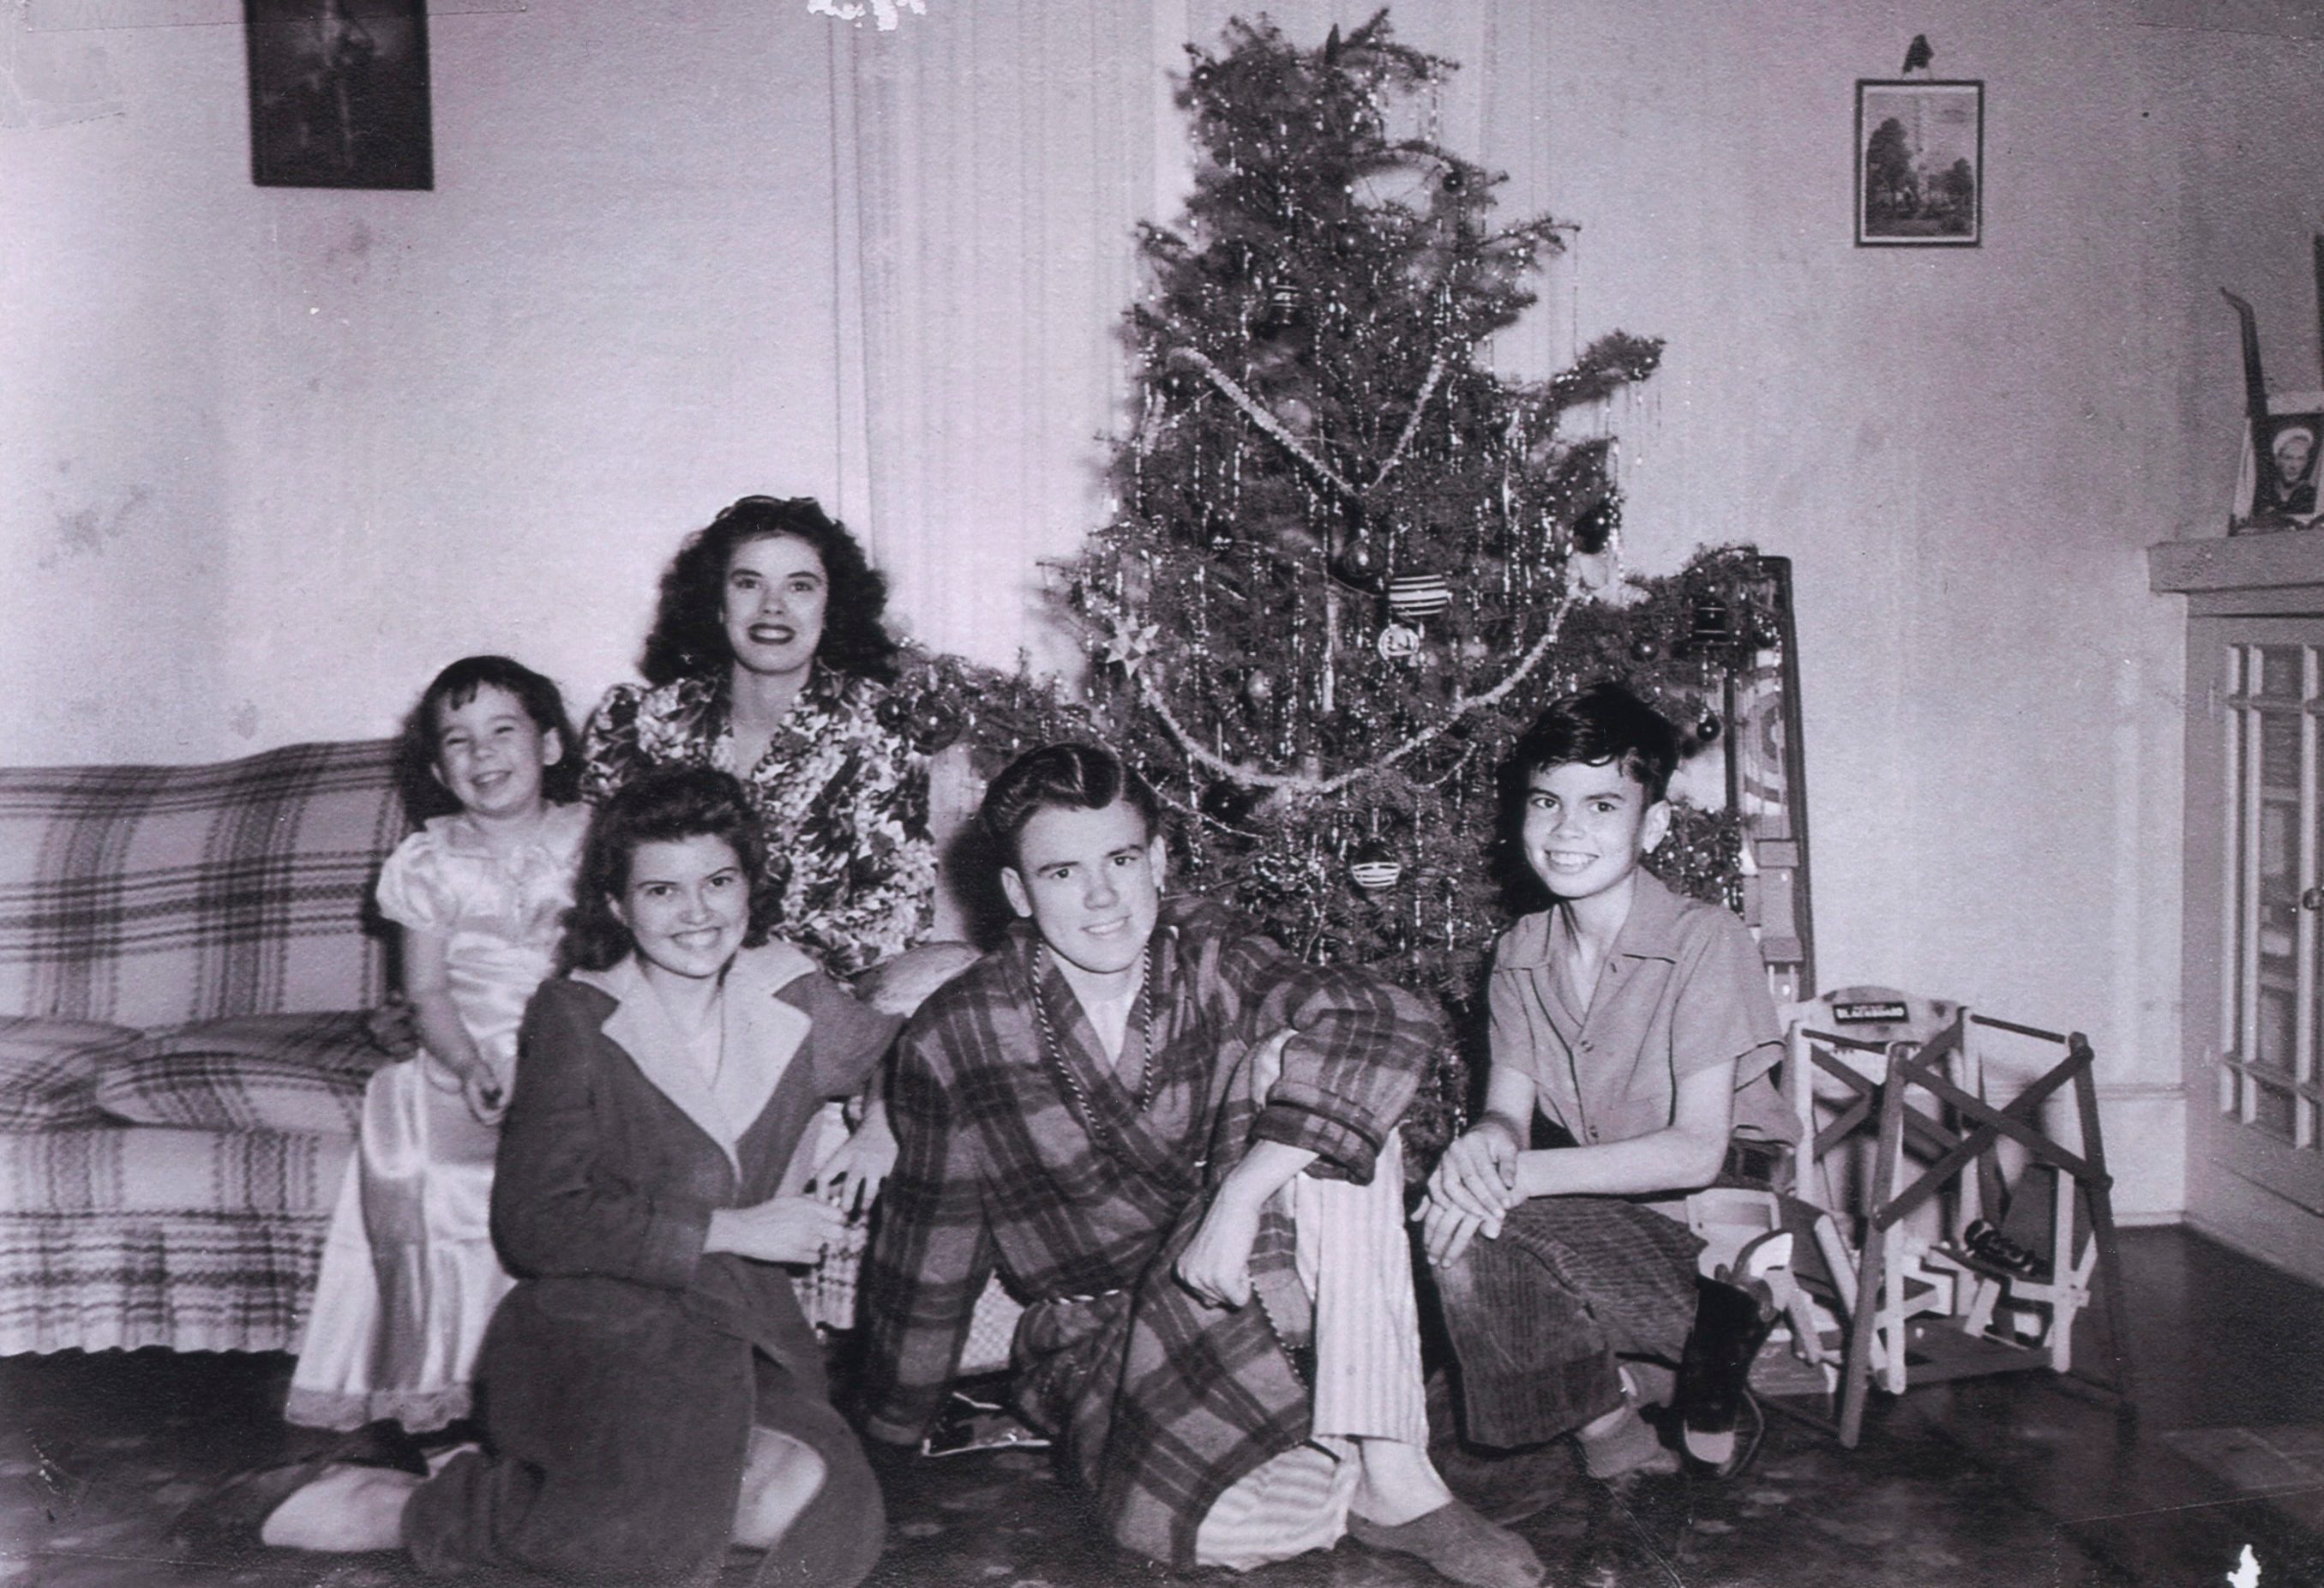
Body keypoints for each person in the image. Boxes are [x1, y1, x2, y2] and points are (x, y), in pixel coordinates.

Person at [857, 743, 1542, 1588]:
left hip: (1257, 1266)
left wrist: (1241, 1194)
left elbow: (1386, 1020)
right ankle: (1340, 1446)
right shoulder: (953, 1036)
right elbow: (930, 1249)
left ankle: (1396, 1471)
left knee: (1320, 1057)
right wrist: (886, 1435)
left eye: (1120, 859)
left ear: (1159, 858)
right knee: (1220, 1527)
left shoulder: (1206, 951)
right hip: (1105, 1336)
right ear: (1015, 892)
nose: (1103, 896)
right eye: (1063, 872)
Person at [259, 767, 903, 1586]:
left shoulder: (793, 993)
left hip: (742, 1332)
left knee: (820, 1502)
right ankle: (406, 1507)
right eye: (662, 890)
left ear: (749, 887)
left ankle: (563, 1500)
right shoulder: (574, 1015)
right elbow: (535, 1221)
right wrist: (730, 1229)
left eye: (718, 882)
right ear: (616, 905)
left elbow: (903, 1050)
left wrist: (879, 1127)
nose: (696, 912)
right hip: (595, 1327)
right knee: (651, 1534)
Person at [1418, 682, 1797, 1496]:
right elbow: (1506, 1110)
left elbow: (1698, 1152)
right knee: (1454, 1464)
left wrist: (1502, 1182)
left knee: (1472, 1228)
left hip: (1719, 1243)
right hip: (1602, 1229)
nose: (1563, 830)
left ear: (1650, 825)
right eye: (1545, 802)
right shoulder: (1521, 948)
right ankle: (1622, 1402)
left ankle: (1654, 1392)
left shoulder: (1706, 939)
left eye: (1600, 806)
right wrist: (1487, 1140)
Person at [287, 655, 589, 1438]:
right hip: (466, 1050)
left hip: (577, 1048)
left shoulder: (596, 839)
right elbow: (426, 993)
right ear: (436, 767)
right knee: (436, 1170)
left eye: (502, 731)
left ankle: (570, 1366)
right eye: (458, 740)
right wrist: (466, 1064)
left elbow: (616, 969)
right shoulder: (428, 860)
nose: (482, 754)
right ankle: (440, 1372)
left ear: (550, 745)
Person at [581, 495, 936, 978]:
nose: (773, 607)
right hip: (664, 979)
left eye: (800, 586)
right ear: (718, 604)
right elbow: (602, 882)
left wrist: (762, 969)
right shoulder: (641, 722)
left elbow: (899, 908)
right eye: (748, 583)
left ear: (831, 607)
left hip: (808, 991)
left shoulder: (881, 727)